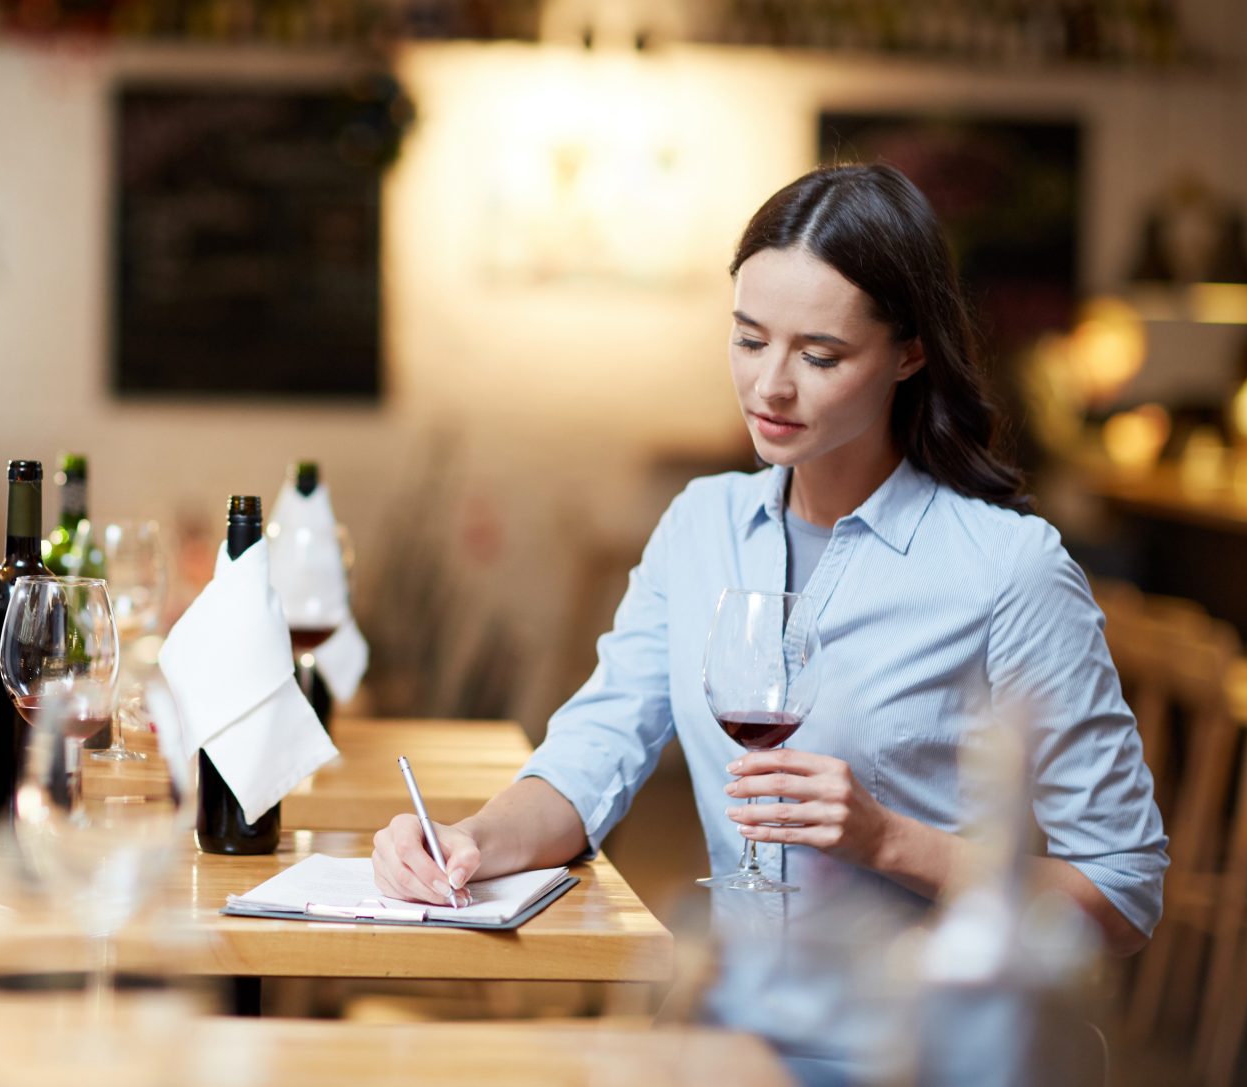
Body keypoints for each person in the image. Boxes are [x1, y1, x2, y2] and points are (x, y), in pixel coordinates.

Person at [371, 163, 1167, 1073]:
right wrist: (467, 841)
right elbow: (595, 752)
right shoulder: (700, 526)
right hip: (747, 1040)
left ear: (910, 353)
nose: (771, 386)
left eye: (820, 356)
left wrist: (889, 839)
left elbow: (1121, 893)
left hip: (924, 1054)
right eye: (748, 340)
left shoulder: (1009, 571)